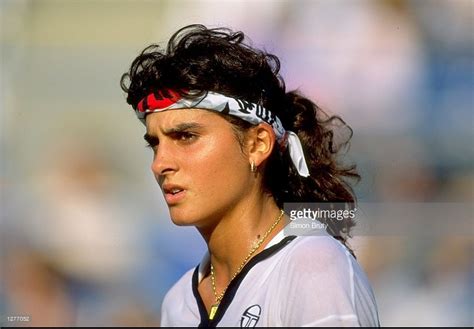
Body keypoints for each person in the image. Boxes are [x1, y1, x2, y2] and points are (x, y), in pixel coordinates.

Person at [120, 24, 379, 327]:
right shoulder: (177, 304)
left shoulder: (315, 266)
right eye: (155, 144)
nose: (160, 163)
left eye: (186, 136)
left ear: (258, 144)